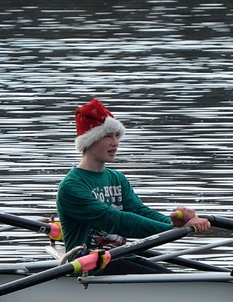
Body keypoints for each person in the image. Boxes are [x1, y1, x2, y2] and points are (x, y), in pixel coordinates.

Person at [57, 98, 210, 274]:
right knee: (175, 285)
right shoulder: (72, 187)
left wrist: (173, 221)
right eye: (108, 136)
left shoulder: (117, 178)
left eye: (117, 136)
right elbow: (117, 221)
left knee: (173, 277)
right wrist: (172, 228)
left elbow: (139, 211)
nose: (115, 143)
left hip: (120, 257)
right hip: (90, 268)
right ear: (89, 141)